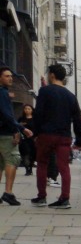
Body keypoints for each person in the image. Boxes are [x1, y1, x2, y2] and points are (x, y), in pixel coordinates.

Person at [31, 63, 81, 209]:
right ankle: (64, 198)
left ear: (52, 75)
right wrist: (80, 139)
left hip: (46, 134)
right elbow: (77, 120)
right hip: (64, 136)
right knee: (64, 167)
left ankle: (41, 197)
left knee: (42, 164)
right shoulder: (71, 96)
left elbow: (38, 114)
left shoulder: (45, 91)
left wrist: (35, 133)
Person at [0, 66, 23, 205]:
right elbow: (7, 114)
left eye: (11, 76)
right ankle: (8, 193)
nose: (10, 78)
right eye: (7, 76)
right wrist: (18, 129)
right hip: (6, 133)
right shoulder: (2, 93)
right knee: (12, 160)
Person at [18, 103, 37, 175]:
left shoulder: (35, 119)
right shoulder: (21, 118)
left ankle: (30, 168)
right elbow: (16, 127)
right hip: (23, 139)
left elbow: (37, 128)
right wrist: (20, 125)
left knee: (32, 154)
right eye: (25, 109)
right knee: (25, 153)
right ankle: (27, 169)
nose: (27, 110)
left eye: (29, 109)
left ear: (32, 110)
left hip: (33, 139)